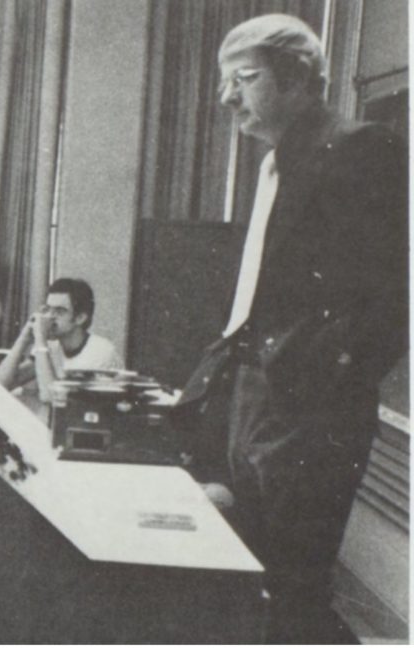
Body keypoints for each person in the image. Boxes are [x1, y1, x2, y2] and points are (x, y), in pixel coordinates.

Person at [171, 14, 407, 644]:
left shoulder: (360, 147)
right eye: (226, 82)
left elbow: (392, 298)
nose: (226, 99)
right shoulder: (277, 162)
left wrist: (321, 387)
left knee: (295, 589)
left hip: (307, 408)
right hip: (253, 392)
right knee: (256, 580)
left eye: (244, 80)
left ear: (299, 78)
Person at [0, 278, 123, 401]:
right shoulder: (52, 346)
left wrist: (40, 339)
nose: (50, 316)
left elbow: (51, 398)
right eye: (47, 309)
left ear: (80, 318)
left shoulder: (101, 351)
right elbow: (0, 384)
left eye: (59, 311)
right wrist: (24, 337)